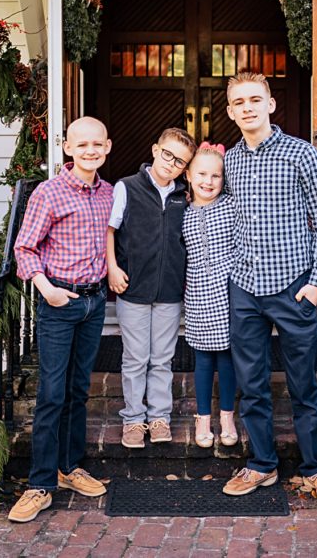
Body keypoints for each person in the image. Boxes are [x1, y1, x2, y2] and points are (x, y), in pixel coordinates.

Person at [220, 71, 317, 502]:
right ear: (230, 111)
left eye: (255, 99)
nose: (248, 108)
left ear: (270, 104)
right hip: (244, 287)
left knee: (303, 384)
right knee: (251, 384)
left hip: (294, 286)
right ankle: (261, 465)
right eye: (239, 102)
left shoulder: (301, 154)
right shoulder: (230, 161)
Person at [7, 116, 114, 523]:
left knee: (78, 389)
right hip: (59, 302)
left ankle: (69, 468)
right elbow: (24, 248)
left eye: (96, 144)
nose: (90, 150)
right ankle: (39, 484)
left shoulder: (108, 193)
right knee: (52, 393)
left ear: (107, 147)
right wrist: (45, 288)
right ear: (67, 148)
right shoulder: (49, 193)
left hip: (94, 303)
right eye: (81, 144)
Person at [107, 128, 197, 448]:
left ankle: (159, 417)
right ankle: (133, 418)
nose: (171, 163)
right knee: (135, 357)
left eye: (180, 161)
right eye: (168, 154)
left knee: (161, 358)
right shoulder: (127, 187)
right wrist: (112, 267)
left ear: (185, 168)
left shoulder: (184, 197)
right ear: (155, 150)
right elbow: (110, 230)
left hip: (169, 291)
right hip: (133, 288)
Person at [182, 142, 239, 448]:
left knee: (228, 357)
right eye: (202, 174)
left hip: (228, 289)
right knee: (203, 358)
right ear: (189, 176)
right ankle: (203, 417)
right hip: (198, 291)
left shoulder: (231, 206)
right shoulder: (182, 212)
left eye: (216, 176)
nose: (208, 181)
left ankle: (227, 416)